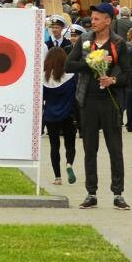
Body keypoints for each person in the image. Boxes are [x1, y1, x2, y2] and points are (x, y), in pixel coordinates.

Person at [64, 2, 130, 210]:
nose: (92, 22)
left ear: (108, 21)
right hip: (88, 101)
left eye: (96, 19)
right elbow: (68, 65)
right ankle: (91, 192)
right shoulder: (84, 40)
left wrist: (114, 81)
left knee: (115, 149)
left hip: (110, 102)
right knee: (89, 148)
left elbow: (129, 74)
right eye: (92, 19)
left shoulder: (119, 43)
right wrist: (91, 63)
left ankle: (118, 193)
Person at [42, 46, 77, 185]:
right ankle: (69, 164)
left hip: (50, 116)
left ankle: (57, 177)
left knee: (54, 146)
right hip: (68, 115)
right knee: (70, 144)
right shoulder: (71, 76)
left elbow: (43, 97)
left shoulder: (44, 78)